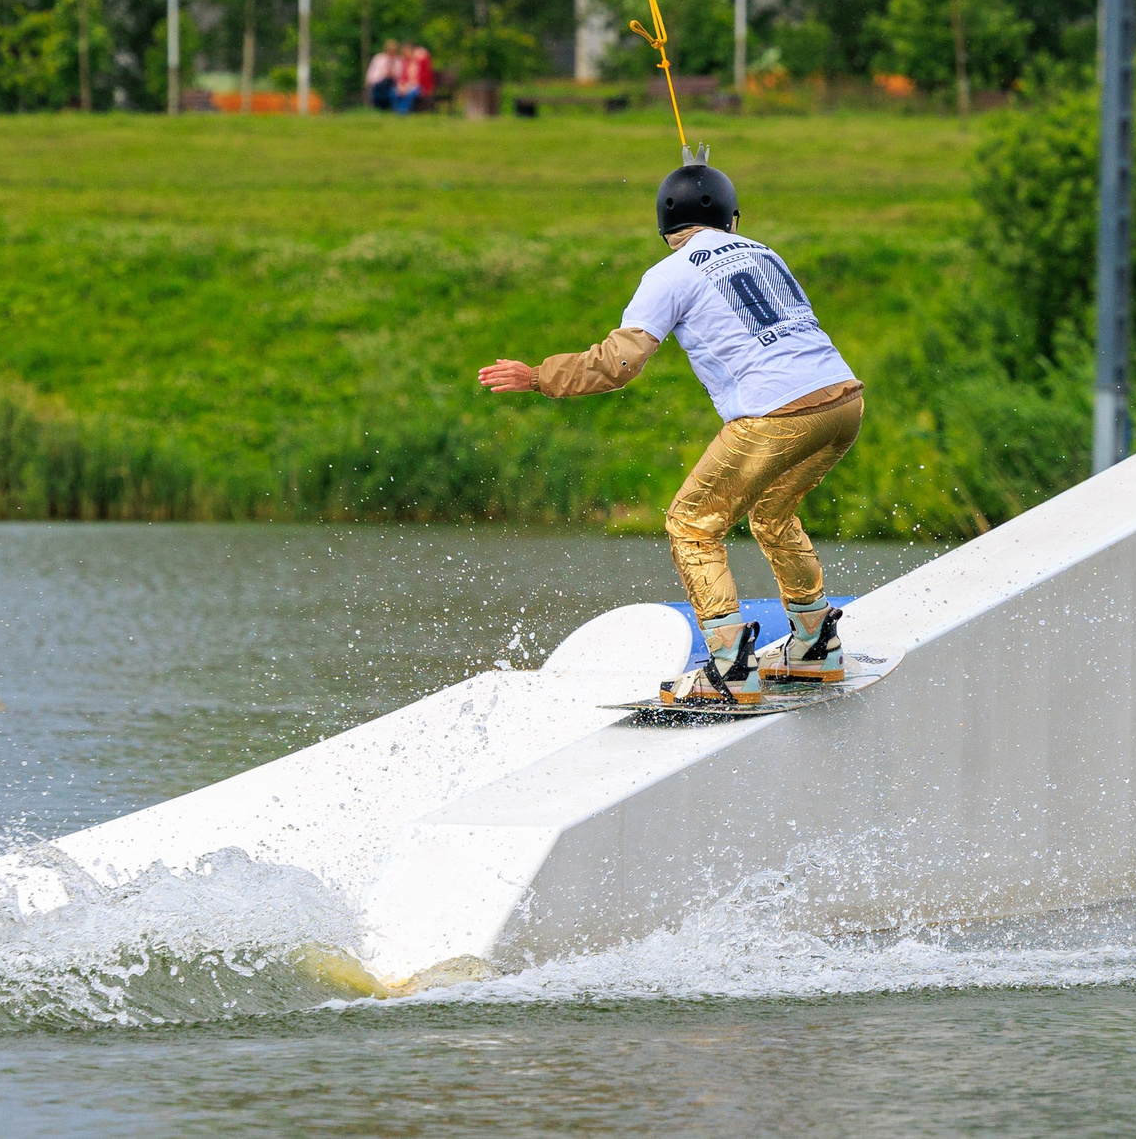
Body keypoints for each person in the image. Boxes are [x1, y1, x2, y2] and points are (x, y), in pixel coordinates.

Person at [476, 159, 862, 705]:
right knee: (772, 514)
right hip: (843, 401)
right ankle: (815, 644)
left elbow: (617, 364)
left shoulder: (669, 274)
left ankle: (730, 670)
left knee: (692, 523)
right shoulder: (764, 252)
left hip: (775, 415)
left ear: (665, 226)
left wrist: (538, 376)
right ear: (731, 218)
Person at [367, 41, 398, 111]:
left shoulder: (397, 60)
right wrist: (384, 74)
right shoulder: (379, 59)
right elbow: (373, 73)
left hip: (392, 82)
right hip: (379, 82)